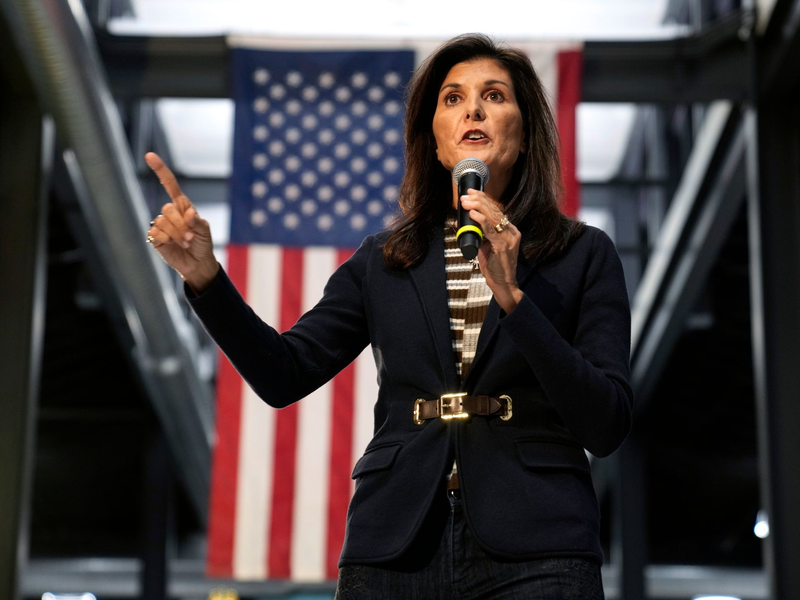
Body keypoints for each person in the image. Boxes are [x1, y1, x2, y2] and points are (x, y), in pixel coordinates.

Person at [145, 33, 633, 600]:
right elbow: (283, 374)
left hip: (541, 547)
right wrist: (206, 277)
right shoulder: (384, 259)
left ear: (525, 136)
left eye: (494, 95)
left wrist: (515, 300)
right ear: (437, 142)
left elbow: (607, 421)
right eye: (452, 99)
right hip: (395, 545)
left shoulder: (584, 253)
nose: (472, 108)